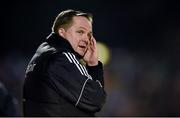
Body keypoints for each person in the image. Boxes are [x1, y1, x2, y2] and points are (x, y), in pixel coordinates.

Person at [23, 9, 106, 116]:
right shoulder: (62, 58)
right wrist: (94, 66)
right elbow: (95, 100)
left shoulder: (42, 53)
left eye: (89, 34)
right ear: (62, 32)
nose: (86, 39)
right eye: (80, 32)